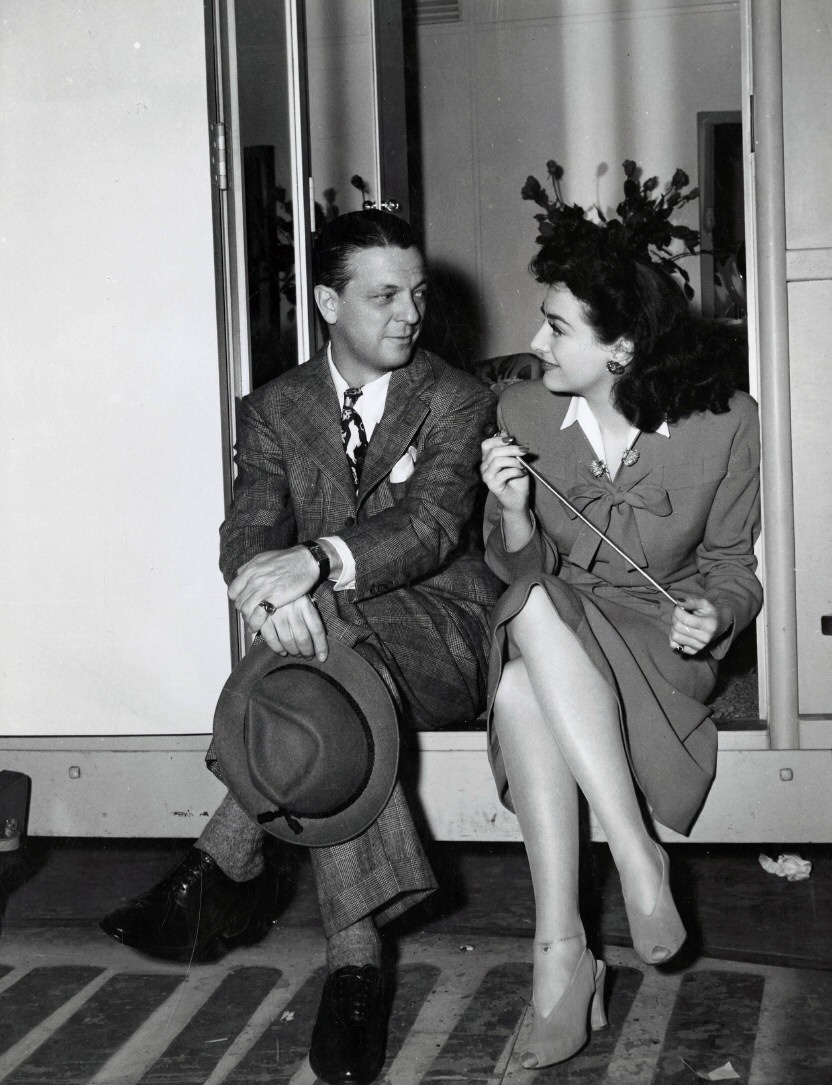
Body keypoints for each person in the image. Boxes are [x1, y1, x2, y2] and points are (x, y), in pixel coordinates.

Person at [101, 210, 502, 1085]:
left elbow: (433, 527)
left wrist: (314, 567)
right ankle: (354, 968)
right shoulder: (275, 410)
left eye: (418, 293)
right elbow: (245, 531)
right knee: (328, 672)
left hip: (445, 630)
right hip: (339, 652)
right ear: (327, 301)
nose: (409, 313)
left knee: (323, 652)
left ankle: (222, 862)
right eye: (384, 294)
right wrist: (267, 593)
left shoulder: (456, 397)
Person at [479, 224, 762, 1070]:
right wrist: (518, 511)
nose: (533, 344)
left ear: (624, 347)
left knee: (523, 688)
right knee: (530, 604)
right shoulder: (522, 411)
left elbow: (730, 568)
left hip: (660, 641)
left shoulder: (725, 423)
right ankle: (633, 859)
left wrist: (712, 615)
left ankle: (564, 956)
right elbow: (520, 567)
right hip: (559, 614)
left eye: (558, 327)